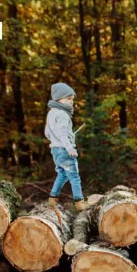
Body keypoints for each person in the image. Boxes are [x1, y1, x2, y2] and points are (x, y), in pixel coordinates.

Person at [44, 82, 87, 212]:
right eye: (68, 98)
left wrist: (55, 141)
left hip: (55, 151)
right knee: (74, 177)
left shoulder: (51, 113)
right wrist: (69, 148)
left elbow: (47, 132)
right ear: (58, 99)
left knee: (62, 175)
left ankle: (52, 200)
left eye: (72, 99)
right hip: (64, 151)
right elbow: (63, 134)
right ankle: (79, 203)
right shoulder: (63, 114)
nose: (71, 102)